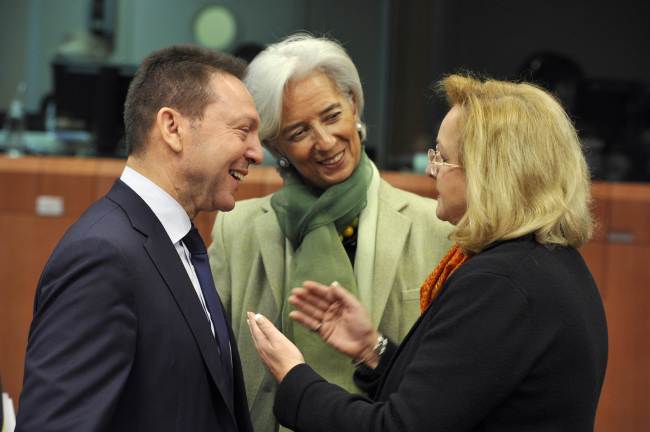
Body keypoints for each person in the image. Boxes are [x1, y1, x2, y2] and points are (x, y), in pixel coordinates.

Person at [246, 74, 609, 432]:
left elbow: (397, 427)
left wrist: (295, 379)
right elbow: (454, 398)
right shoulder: (546, 261)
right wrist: (373, 350)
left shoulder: (500, 283)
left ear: (490, 173)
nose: (432, 171)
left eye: (442, 157)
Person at [207, 34, 452, 432]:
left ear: (354, 105)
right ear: (275, 145)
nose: (324, 142)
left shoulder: (437, 227)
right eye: (299, 132)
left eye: (332, 115)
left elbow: (450, 383)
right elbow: (213, 366)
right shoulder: (238, 228)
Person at [16, 45, 263, 431]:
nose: (257, 152)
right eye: (243, 130)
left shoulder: (180, 242)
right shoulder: (103, 256)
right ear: (172, 128)